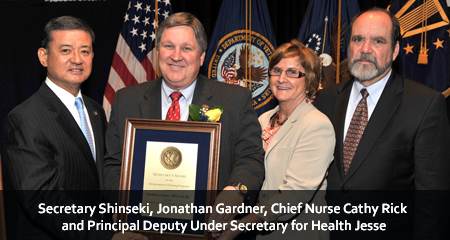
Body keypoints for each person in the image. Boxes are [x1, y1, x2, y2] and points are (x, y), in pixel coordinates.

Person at [103, 12, 265, 237]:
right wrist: (120, 205)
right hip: (143, 232)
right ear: (158, 51)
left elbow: (251, 157)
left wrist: (237, 190)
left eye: (187, 48)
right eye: (169, 46)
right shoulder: (126, 99)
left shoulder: (235, 100)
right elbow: (113, 164)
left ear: (201, 57)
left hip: (210, 231)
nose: (176, 56)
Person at [3, 16, 146, 240]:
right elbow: (43, 201)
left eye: (85, 51)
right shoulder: (24, 118)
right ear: (44, 56)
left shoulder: (95, 110)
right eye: (66, 50)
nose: (77, 59)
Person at [314, 8, 450, 239]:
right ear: (349, 47)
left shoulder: (425, 104)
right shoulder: (326, 99)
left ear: (395, 50)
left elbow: (432, 201)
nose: (365, 49)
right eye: (358, 39)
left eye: (378, 40)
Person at [218, 40, 335, 240]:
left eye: (292, 72)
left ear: (309, 81)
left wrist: (240, 225)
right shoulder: (262, 120)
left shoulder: (317, 125)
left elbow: (294, 196)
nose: (281, 78)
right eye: (277, 70)